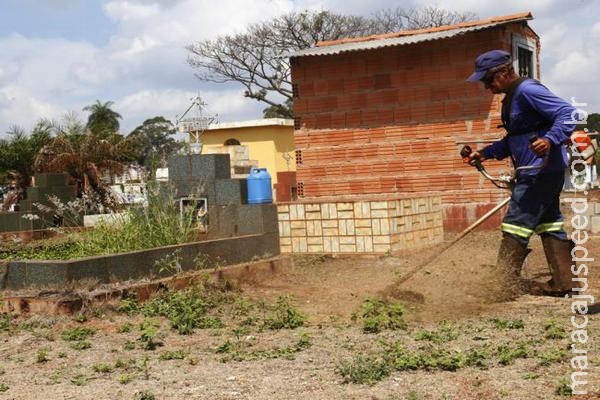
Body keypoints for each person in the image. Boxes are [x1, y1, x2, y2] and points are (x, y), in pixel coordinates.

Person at [465, 49, 581, 297]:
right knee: (549, 223)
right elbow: (514, 140)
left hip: (540, 171)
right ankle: (565, 282)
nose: (487, 87)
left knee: (516, 224)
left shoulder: (528, 91)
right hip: (535, 170)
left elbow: (570, 113)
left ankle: (502, 287)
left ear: (504, 72)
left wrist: (550, 139)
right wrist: (485, 153)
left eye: (488, 80)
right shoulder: (512, 97)